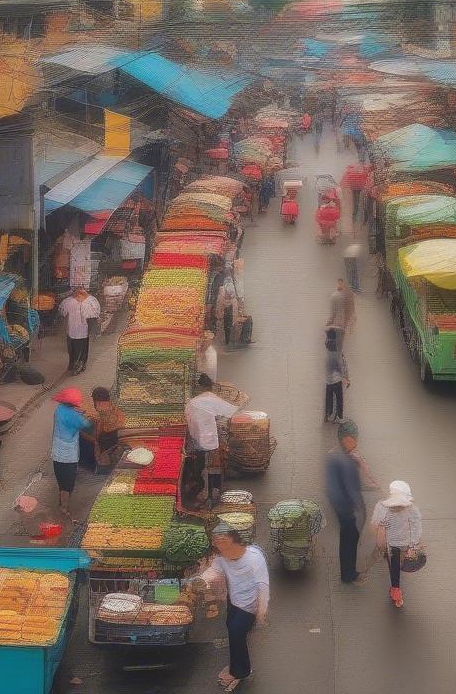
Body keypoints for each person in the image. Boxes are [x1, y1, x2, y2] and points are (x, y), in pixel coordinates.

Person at [199, 525, 269, 691]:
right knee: (232, 629)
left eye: (223, 542)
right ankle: (236, 665)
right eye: (217, 543)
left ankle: (240, 671)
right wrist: (202, 580)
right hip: (234, 602)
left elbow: (263, 585)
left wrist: (261, 612)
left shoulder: (254, 557)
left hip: (250, 606)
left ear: (234, 540)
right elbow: (213, 571)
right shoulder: (222, 559)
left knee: (236, 633)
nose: (220, 546)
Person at [185, 374, 239, 503]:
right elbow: (231, 412)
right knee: (213, 467)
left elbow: (189, 420)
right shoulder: (212, 399)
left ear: (198, 388)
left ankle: (200, 491)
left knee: (199, 466)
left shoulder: (192, 402)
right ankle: (213, 491)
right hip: (211, 441)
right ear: (209, 387)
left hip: (196, 440)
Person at [326, 420, 366, 583]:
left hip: (344, 509)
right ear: (346, 439)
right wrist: (355, 507)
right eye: (354, 438)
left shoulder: (339, 456)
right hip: (346, 510)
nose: (356, 441)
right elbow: (346, 489)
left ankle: (348, 571)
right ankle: (348, 574)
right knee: (350, 539)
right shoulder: (343, 461)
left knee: (349, 538)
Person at [371, 480, 422, 608]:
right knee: (396, 565)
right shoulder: (412, 508)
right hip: (404, 542)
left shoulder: (381, 507)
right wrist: (413, 546)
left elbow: (375, 525)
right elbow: (416, 527)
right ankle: (396, 592)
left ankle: (396, 590)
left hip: (390, 543)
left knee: (393, 565)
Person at [50, 387, 92, 516]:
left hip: (57, 453)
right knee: (68, 486)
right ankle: (63, 508)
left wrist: (77, 412)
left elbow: (69, 414)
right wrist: (83, 416)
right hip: (69, 457)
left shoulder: (59, 410)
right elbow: (87, 426)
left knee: (61, 481)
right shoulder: (75, 417)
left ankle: (61, 503)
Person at [81, 386, 125, 473]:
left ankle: (97, 467)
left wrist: (81, 432)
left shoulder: (100, 415)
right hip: (119, 433)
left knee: (87, 439)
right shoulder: (115, 407)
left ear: (96, 400)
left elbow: (95, 437)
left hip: (109, 440)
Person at [59, 286, 101, 374]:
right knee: (73, 349)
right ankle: (73, 364)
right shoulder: (68, 301)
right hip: (72, 330)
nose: (79, 294)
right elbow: (62, 312)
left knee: (80, 349)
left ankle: (79, 365)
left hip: (83, 331)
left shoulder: (91, 301)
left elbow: (95, 314)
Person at [324, 328, 350, 423]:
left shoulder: (328, 348)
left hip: (329, 379)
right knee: (338, 398)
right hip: (336, 378)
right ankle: (338, 416)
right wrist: (345, 378)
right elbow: (341, 365)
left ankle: (329, 414)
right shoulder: (336, 350)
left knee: (330, 397)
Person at [216, 274, 240, 348]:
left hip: (229, 310)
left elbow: (233, 303)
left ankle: (227, 341)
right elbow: (220, 302)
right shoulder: (223, 290)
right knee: (226, 326)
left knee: (228, 326)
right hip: (227, 309)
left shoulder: (229, 290)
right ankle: (226, 341)